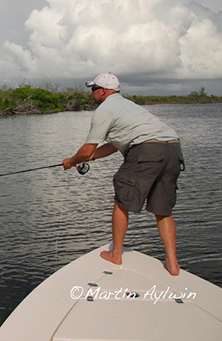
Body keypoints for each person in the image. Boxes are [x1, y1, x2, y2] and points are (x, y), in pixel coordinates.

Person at [63, 72, 184, 276]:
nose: (92, 94)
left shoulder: (105, 110)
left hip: (146, 150)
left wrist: (71, 161)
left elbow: (86, 149)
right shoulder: (128, 106)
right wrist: (89, 158)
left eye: (93, 90)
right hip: (173, 149)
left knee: (122, 197)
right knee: (162, 209)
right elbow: (112, 145)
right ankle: (173, 264)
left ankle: (116, 254)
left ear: (103, 91)